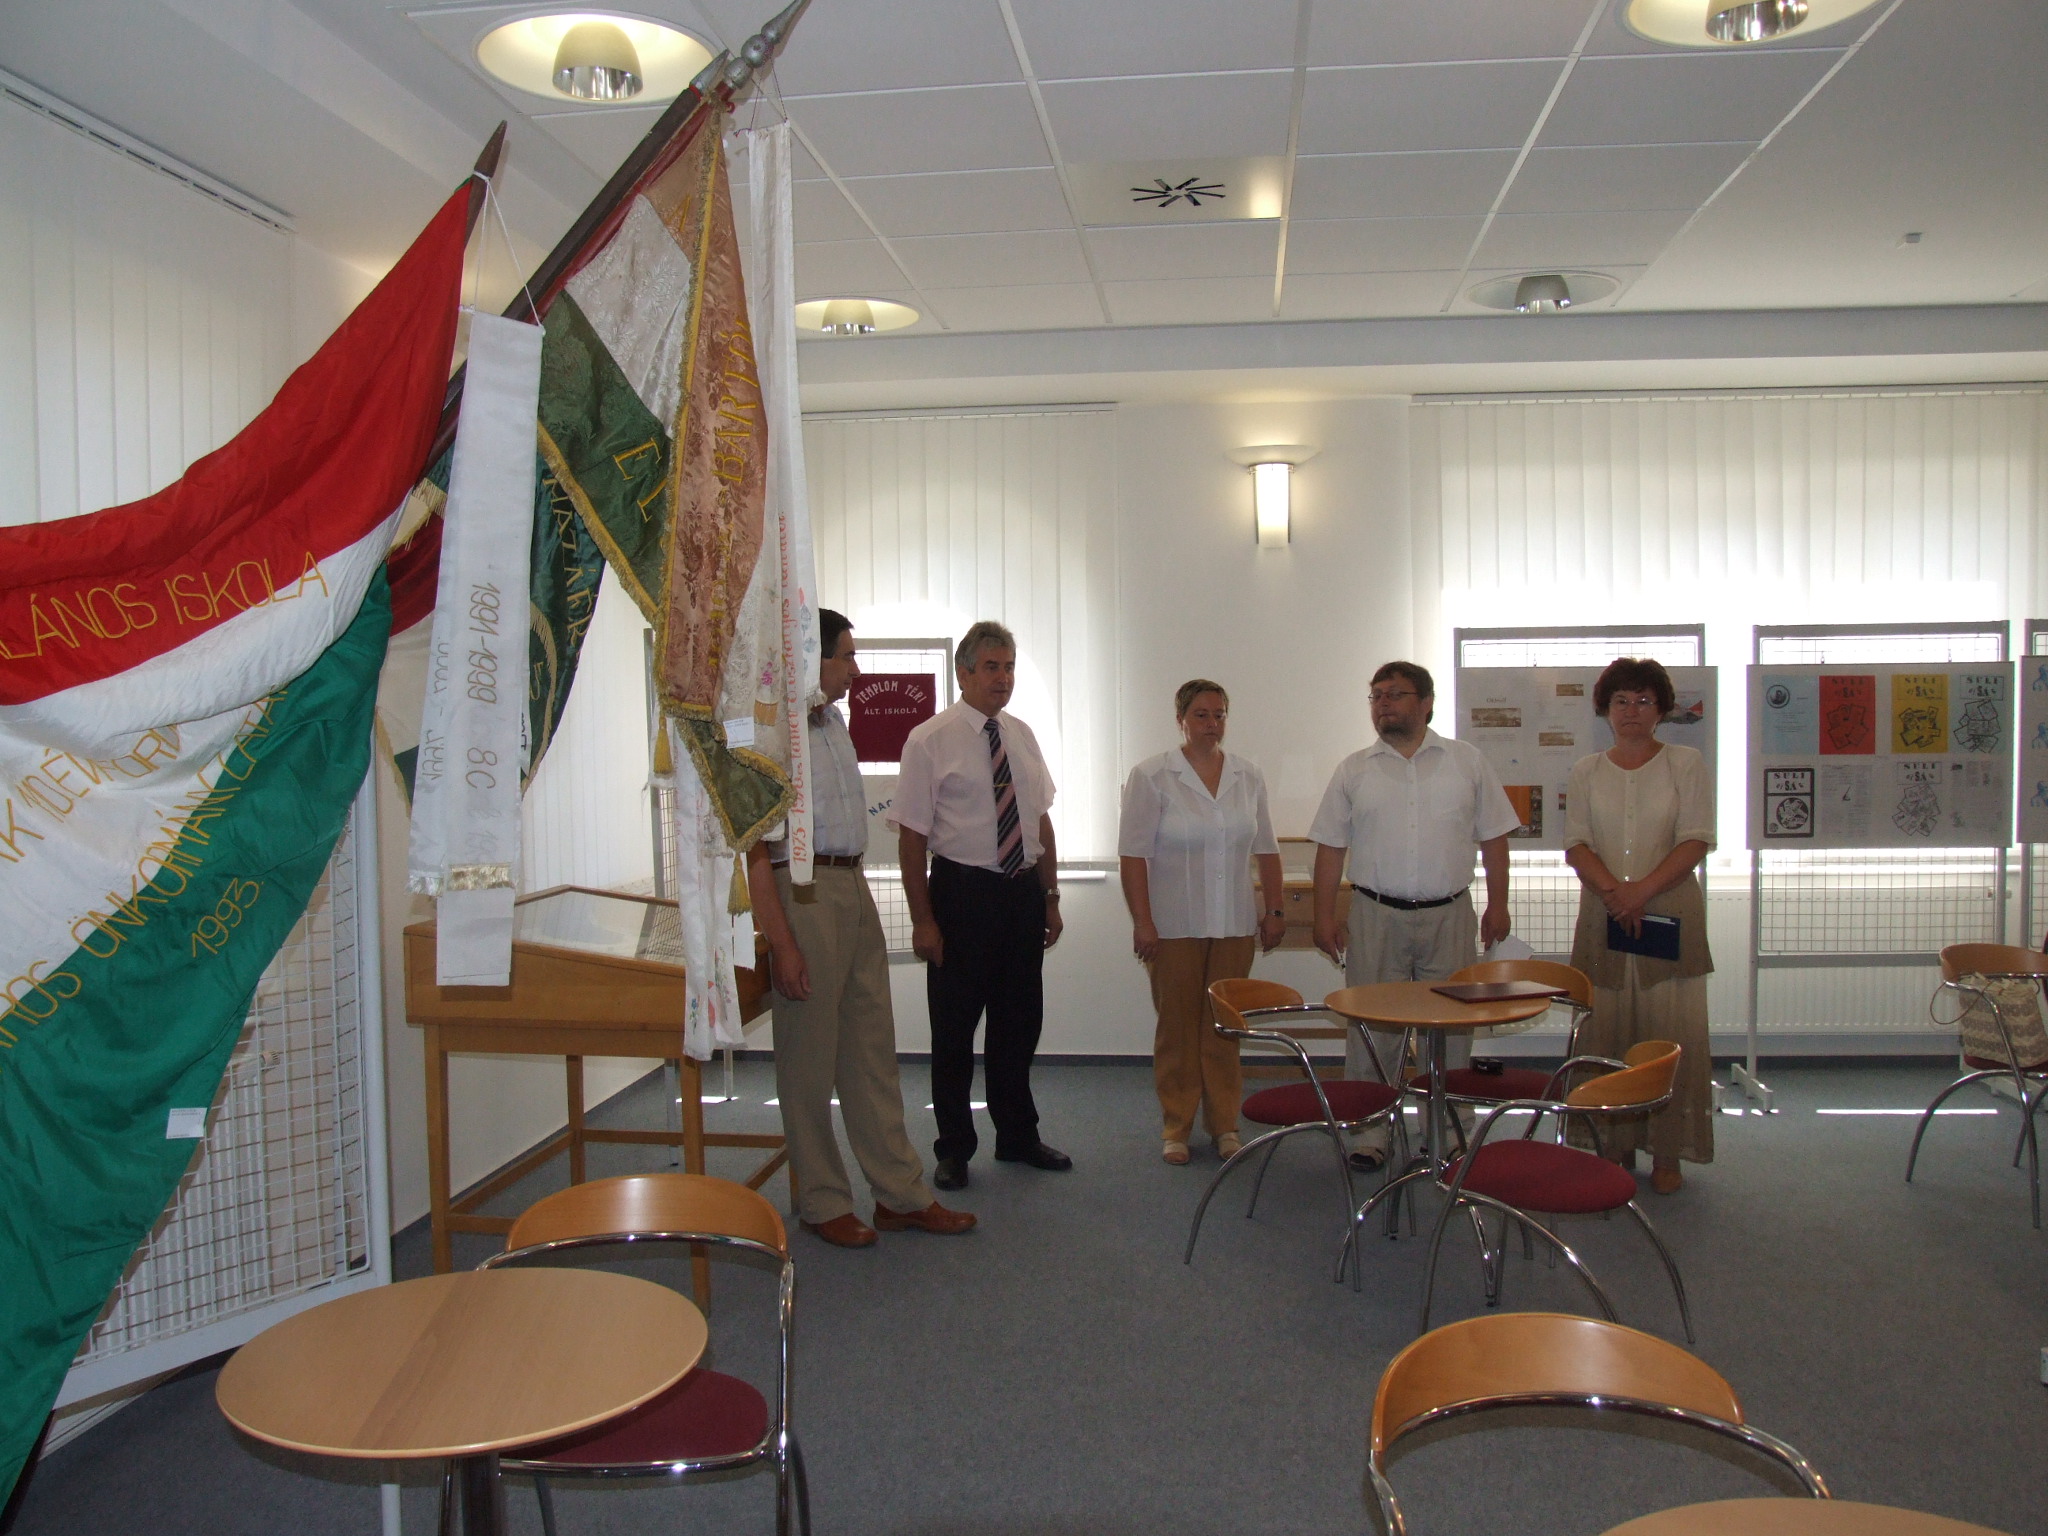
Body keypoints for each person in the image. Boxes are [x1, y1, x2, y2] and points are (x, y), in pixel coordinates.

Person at [745, 609, 976, 1248]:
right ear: (809, 658)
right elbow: (754, 848)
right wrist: (782, 942)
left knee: (873, 1050)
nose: (856, 668)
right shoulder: (772, 732)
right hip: (802, 891)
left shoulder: (834, 722)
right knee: (808, 1061)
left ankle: (900, 1195)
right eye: (846, 655)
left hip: (851, 884)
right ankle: (823, 1202)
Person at [1309, 660, 1519, 1168]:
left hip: (1450, 915)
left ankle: (1447, 1131)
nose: (1384, 704)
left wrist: (1499, 903)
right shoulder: (1354, 769)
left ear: (1425, 703)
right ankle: (1369, 1133)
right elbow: (1331, 849)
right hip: (1375, 915)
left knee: (1451, 1029)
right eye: (1376, 695)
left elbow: (1494, 839)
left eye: (1395, 694)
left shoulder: (1467, 762)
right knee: (1372, 1027)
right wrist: (1323, 917)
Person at [891, 620, 1069, 1191]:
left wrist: (1050, 897)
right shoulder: (929, 739)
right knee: (954, 1030)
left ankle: (1017, 1135)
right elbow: (911, 837)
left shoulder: (1022, 735)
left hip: (1020, 893)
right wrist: (923, 919)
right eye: (992, 667)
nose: (1003, 678)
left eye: (1009, 667)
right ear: (963, 672)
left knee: (1019, 1024)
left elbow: (1039, 821)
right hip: (961, 895)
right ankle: (954, 1149)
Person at [1562, 657, 1715, 1194]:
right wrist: (1615, 893)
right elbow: (1576, 844)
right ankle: (1614, 1144)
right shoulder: (1586, 770)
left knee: (1668, 1033)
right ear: (1605, 708)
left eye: (1644, 701)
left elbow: (1696, 838)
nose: (1632, 710)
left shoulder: (1685, 763)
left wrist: (1639, 892)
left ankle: (1668, 1151)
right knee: (1606, 1029)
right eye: (1622, 700)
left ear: (1662, 710)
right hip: (1603, 913)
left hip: (1668, 909)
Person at [1118, 680, 1286, 1165]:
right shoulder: (1152, 775)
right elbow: (1133, 855)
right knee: (1177, 1027)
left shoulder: (1247, 776)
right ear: (1181, 720)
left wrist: (1274, 910)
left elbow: (1267, 850)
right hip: (1172, 925)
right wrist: (1143, 922)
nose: (1211, 724)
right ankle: (1177, 1126)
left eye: (1219, 715)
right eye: (1201, 715)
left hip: (1234, 924)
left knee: (1225, 1028)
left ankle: (1224, 1125)